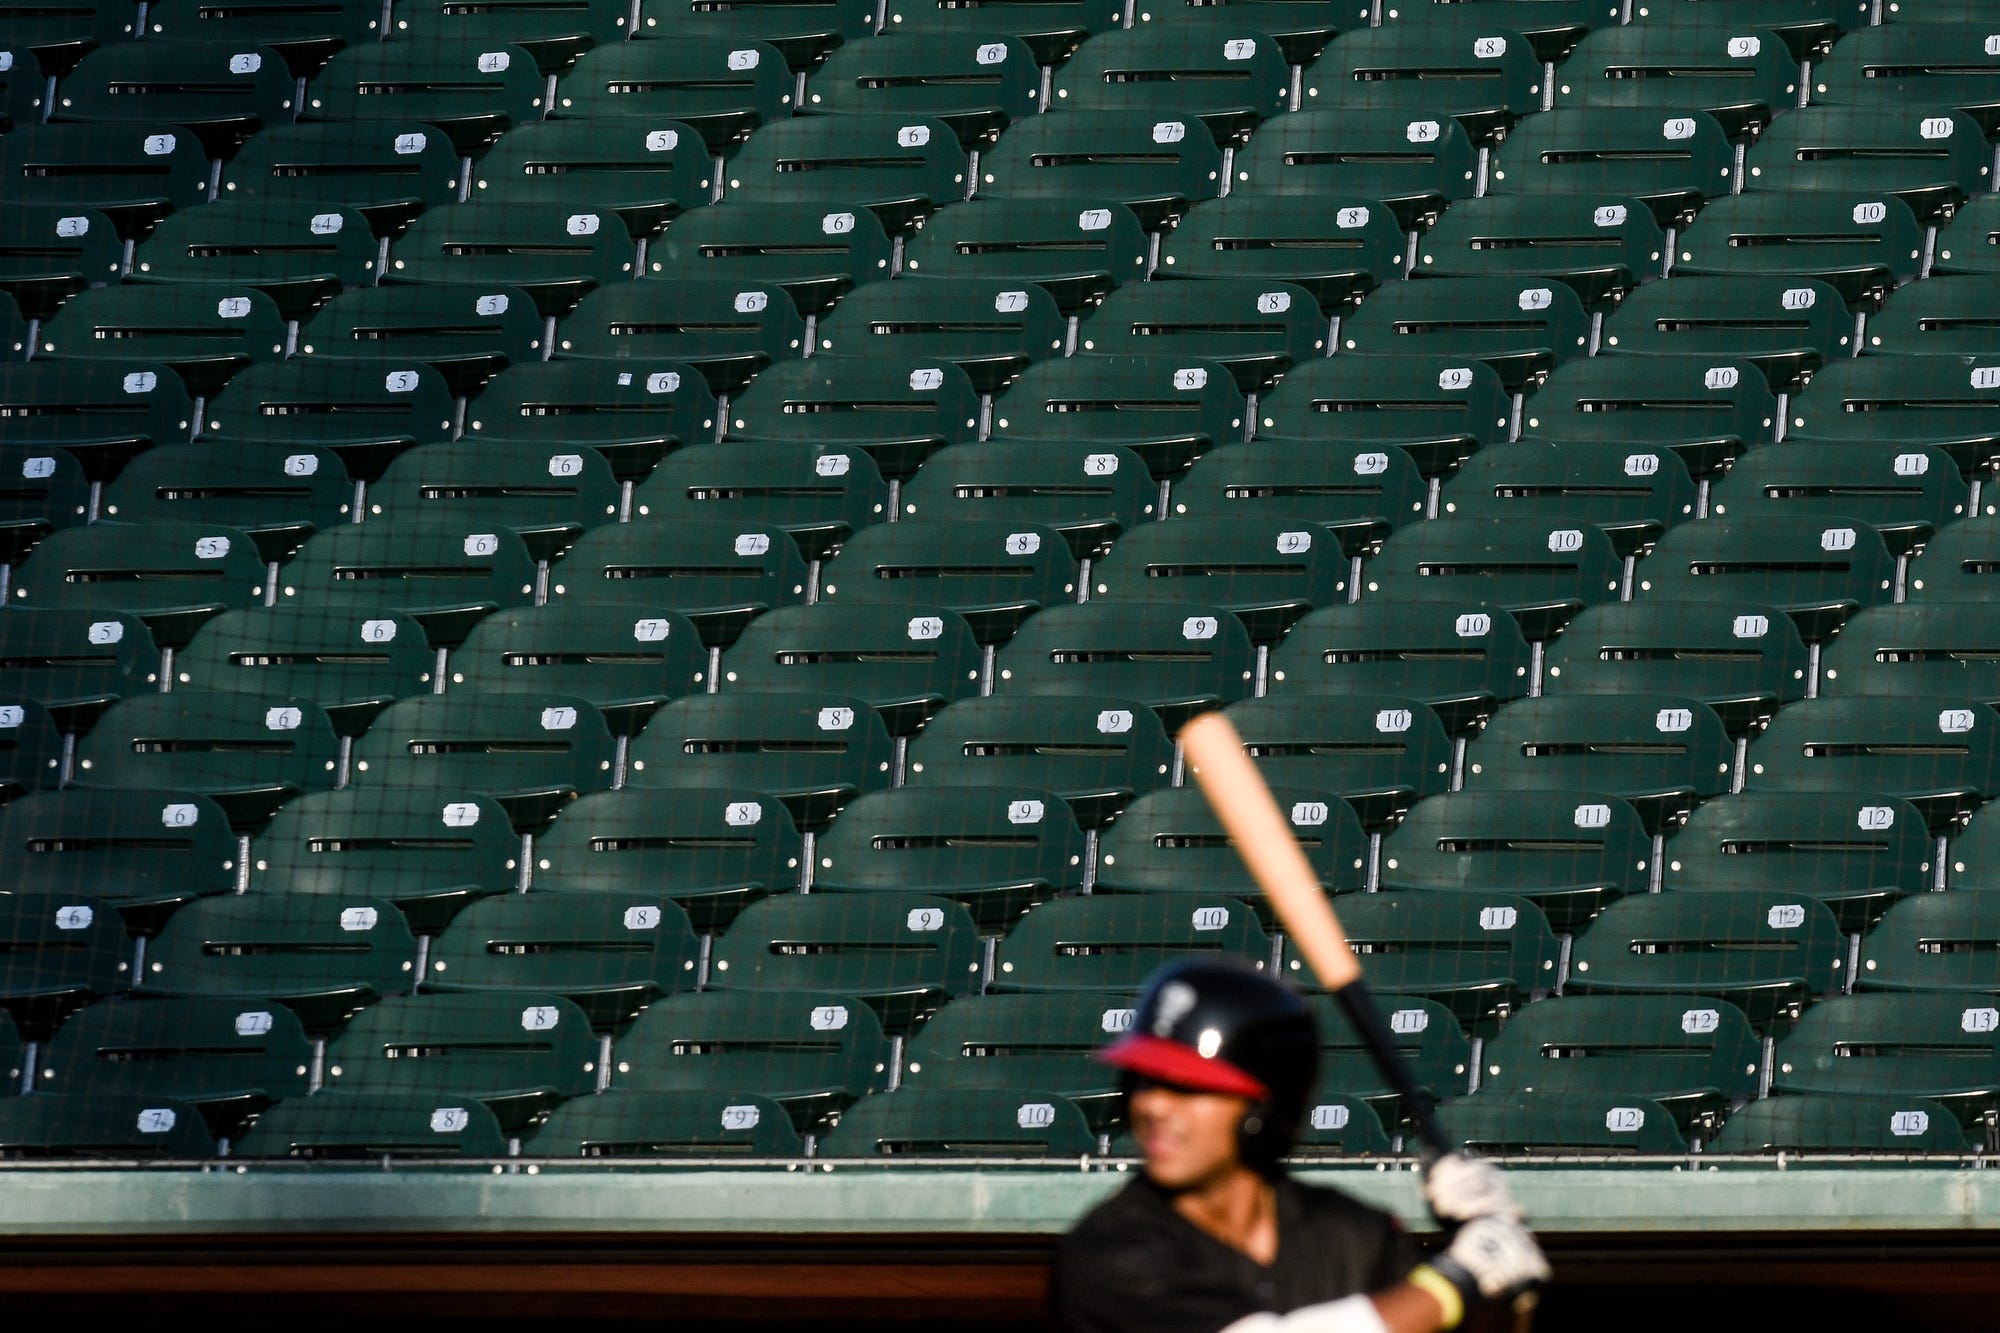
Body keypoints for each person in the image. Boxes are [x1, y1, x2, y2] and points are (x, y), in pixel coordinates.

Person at [1052, 959, 1549, 1333]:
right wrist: (1453, 1280)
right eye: (1145, 1079)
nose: (1153, 1106)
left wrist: (1487, 1236)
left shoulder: (1353, 1235)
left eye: (1188, 1087)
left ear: (1265, 1107)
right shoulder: (1108, 1253)